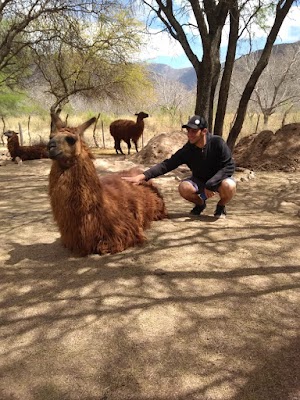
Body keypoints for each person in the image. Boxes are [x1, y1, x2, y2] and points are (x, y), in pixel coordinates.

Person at [123, 115, 236, 218]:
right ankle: (200, 204)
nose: (190, 134)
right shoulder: (188, 150)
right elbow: (166, 165)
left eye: (194, 131)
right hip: (200, 181)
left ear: (204, 131)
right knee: (183, 188)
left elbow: (230, 166)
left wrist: (212, 183)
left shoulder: (217, 143)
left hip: (219, 181)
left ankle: (221, 206)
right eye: (188, 131)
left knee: (229, 186)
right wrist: (141, 177)